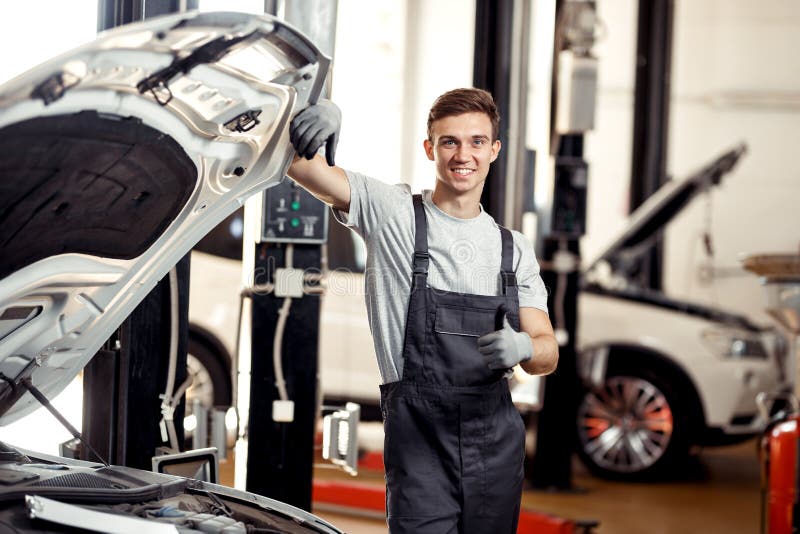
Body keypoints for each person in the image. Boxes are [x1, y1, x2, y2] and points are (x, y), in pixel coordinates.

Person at [287, 88, 558, 534]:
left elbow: (547, 354)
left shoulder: (514, 249)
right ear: (430, 148)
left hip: (494, 442)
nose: (462, 154)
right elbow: (301, 168)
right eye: (449, 141)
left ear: (494, 149)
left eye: (476, 141)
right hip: (419, 441)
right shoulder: (393, 213)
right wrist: (311, 121)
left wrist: (525, 345)